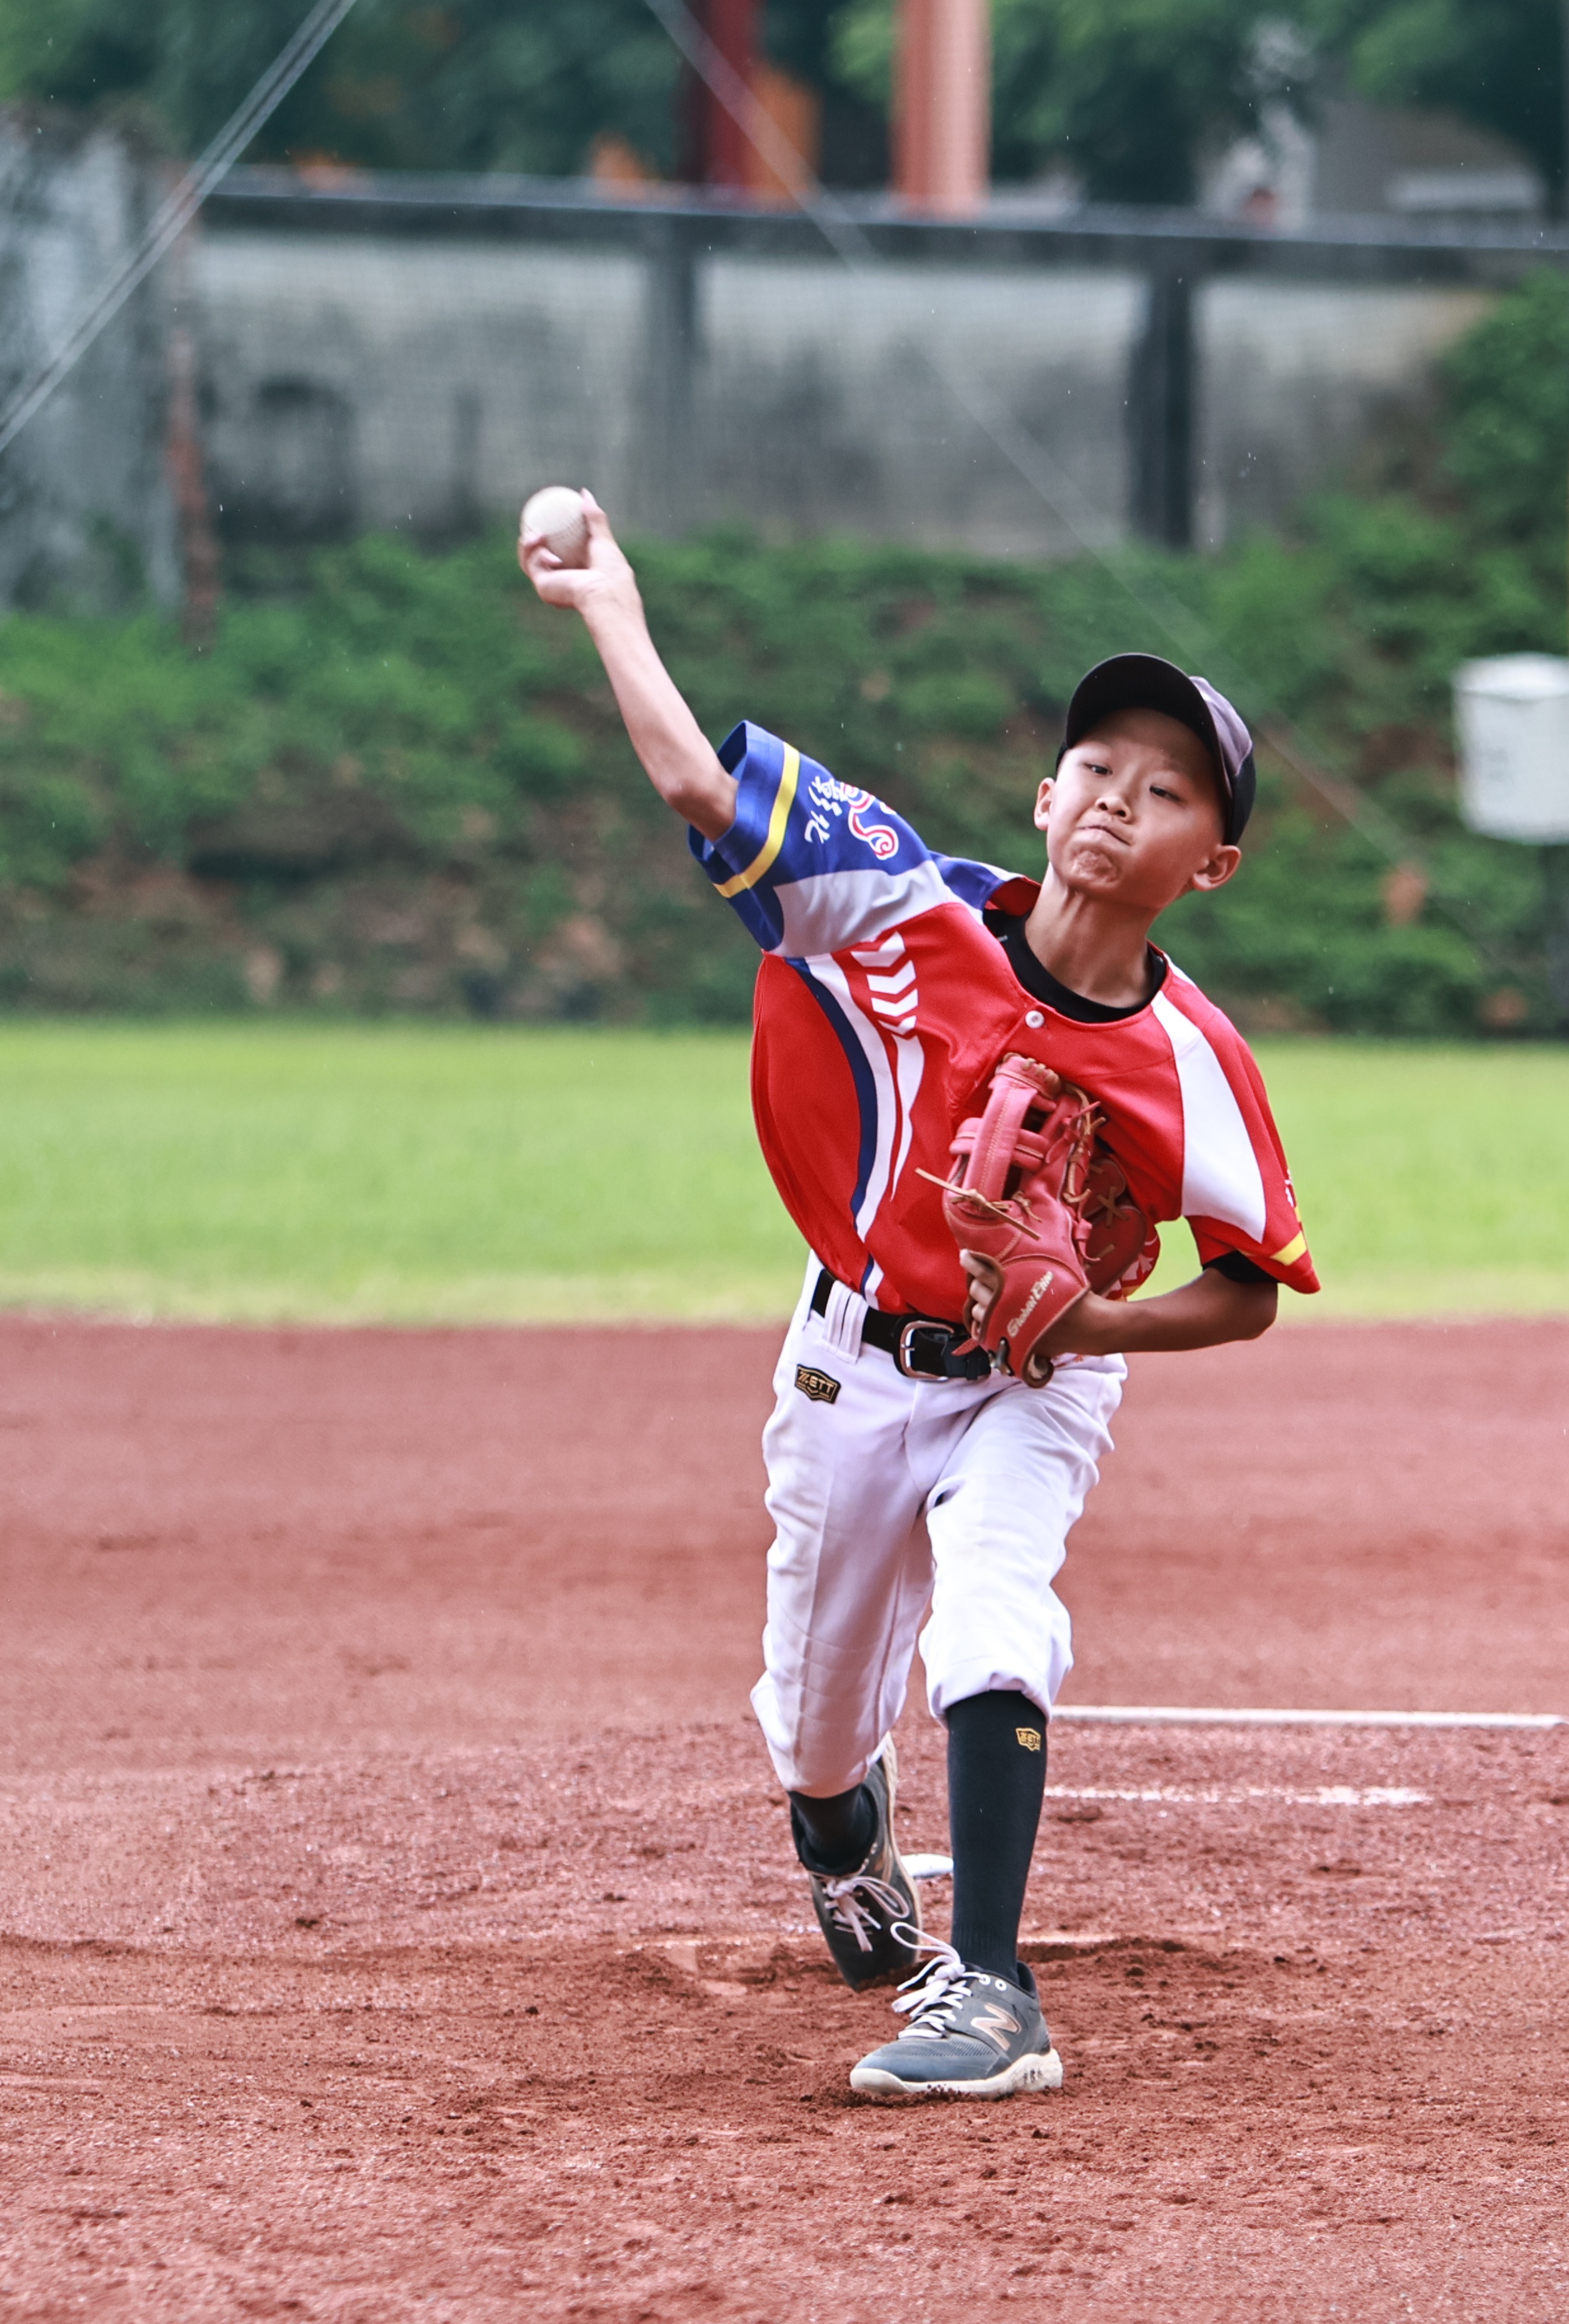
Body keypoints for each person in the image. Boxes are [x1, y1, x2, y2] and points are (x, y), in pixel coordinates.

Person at [521, 493, 1318, 2101]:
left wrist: (1086, 1326)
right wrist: (612, 602)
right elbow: (695, 780)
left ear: (1210, 863)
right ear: (1045, 793)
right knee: (816, 1732)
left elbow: (1249, 1290)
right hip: (849, 1367)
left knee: (992, 1621)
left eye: (1166, 793)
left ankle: (997, 1993)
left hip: (1035, 1381)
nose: (1120, 802)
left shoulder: (1196, 1066)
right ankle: (845, 1828)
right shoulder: (903, 904)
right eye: (1098, 769)